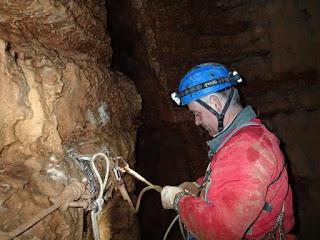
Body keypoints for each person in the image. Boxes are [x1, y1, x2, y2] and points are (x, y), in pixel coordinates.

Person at [161, 63, 295, 239]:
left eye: (197, 113)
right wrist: (197, 185)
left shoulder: (246, 150)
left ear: (215, 103)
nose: (196, 121)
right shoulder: (245, 136)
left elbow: (222, 232)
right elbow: (231, 180)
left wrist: (179, 201)